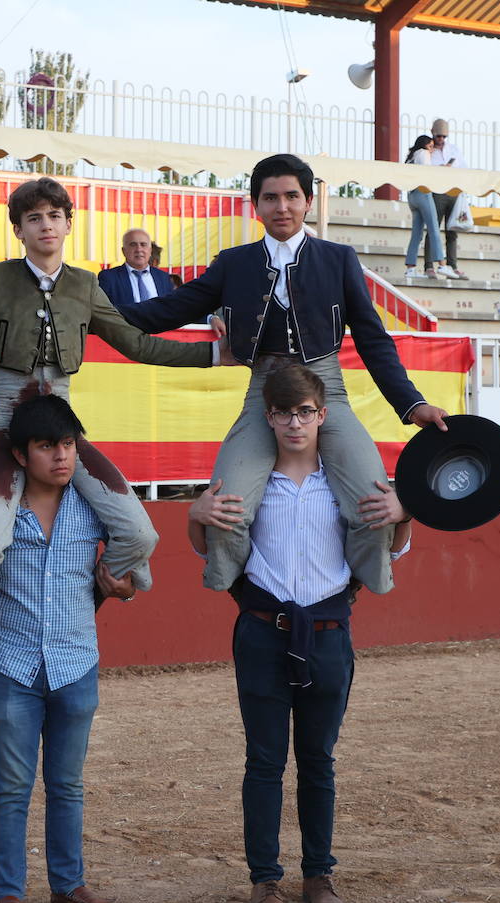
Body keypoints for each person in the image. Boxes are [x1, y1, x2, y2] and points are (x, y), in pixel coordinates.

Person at [0, 176, 216, 619]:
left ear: (69, 224)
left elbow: (138, 345)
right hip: (7, 423)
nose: (45, 226)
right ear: (19, 230)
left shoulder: (85, 286)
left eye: (54, 216)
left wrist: (216, 353)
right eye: (34, 218)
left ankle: (89, 598)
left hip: (61, 426)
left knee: (139, 534)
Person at [114, 152, 447, 599]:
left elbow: (373, 339)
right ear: (256, 205)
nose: (282, 207)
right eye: (270, 198)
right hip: (265, 391)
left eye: (292, 196)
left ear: (308, 201)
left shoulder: (338, 259)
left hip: (326, 389)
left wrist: (411, 403)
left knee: (373, 500)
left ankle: (355, 587)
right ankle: (241, 593)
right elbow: (166, 310)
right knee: (227, 503)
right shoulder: (234, 263)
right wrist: (93, 314)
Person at [187, 364, 412, 903]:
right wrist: (194, 514)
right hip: (263, 631)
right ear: (269, 418)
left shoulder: (342, 482)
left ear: (322, 416)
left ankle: (319, 877)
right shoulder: (252, 482)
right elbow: (208, 545)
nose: (295, 423)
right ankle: (265, 881)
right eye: (285, 414)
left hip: (330, 632)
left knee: (318, 761)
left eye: (305, 413)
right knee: (263, 761)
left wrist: (405, 515)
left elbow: (391, 547)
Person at [0, 394, 134, 903]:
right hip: (10, 661)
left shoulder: (94, 504)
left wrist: (125, 587)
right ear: (20, 455)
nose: (61, 457)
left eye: (67, 445)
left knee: (67, 784)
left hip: (75, 661)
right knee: (12, 786)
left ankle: (68, 885)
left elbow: (131, 568)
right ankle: (9, 894)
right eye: (47, 447)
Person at [402, 135, 457, 280]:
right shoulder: (423, 153)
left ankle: (410, 267)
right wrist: (442, 170)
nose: (432, 150)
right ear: (426, 145)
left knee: (417, 234)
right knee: (434, 228)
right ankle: (442, 264)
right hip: (424, 193)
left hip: (412, 196)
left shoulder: (411, 157)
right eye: (431, 147)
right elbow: (427, 172)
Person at [424, 118, 469, 279]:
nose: (441, 140)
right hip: (436, 192)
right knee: (432, 229)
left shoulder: (454, 150)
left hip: (453, 191)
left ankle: (452, 265)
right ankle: (429, 265)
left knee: (452, 231)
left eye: (444, 137)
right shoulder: (428, 150)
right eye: (438, 136)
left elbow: (463, 168)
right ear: (433, 134)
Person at [96, 229, 175, 306]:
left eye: (143, 244)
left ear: (150, 250)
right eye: (133, 245)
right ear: (124, 251)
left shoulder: (163, 277)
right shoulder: (109, 278)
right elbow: (103, 311)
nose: (139, 249)